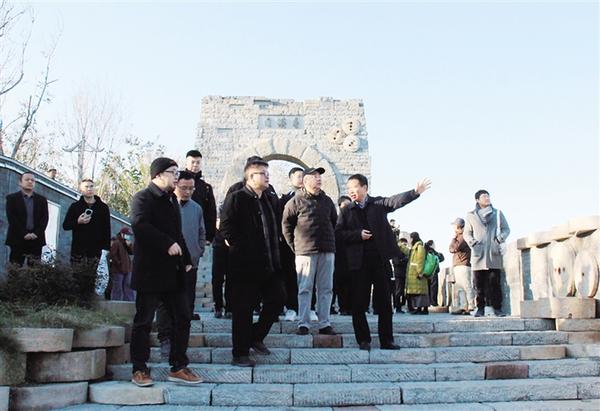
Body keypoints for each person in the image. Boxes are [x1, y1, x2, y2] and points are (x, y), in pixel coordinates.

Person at [335, 174, 431, 350]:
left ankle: (387, 340)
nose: (351, 191)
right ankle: (363, 340)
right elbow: (339, 234)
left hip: (380, 261)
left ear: (365, 188)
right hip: (358, 263)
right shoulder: (346, 210)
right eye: (349, 189)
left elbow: (395, 201)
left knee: (385, 302)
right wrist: (357, 235)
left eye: (354, 187)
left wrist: (414, 192)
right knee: (359, 303)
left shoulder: (378, 204)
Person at [129, 157, 202, 387]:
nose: (176, 177)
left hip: (173, 272)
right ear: (158, 175)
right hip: (150, 272)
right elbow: (140, 226)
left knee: (182, 318)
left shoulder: (172, 200)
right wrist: (166, 243)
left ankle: (178, 366)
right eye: (173, 172)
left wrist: (187, 259)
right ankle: (139, 369)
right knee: (144, 321)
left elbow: (178, 234)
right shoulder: (142, 198)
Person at [220, 157, 285, 367]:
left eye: (268, 173)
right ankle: (240, 354)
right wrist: (241, 248)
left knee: (278, 299)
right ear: (250, 176)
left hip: (270, 264)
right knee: (243, 310)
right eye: (263, 173)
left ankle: (255, 336)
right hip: (244, 267)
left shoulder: (270, 199)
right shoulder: (236, 198)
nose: (267, 177)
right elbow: (226, 228)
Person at [282, 167, 338, 336]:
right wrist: (295, 246)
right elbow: (286, 225)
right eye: (315, 176)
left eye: (319, 176)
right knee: (305, 288)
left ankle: (324, 323)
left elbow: (334, 222)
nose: (319, 179)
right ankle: (304, 323)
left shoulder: (327, 201)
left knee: (326, 288)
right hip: (305, 251)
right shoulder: (295, 201)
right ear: (305, 181)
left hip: (327, 250)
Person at [156, 170, 206, 358]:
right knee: (164, 303)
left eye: (191, 188)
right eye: (184, 188)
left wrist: (197, 252)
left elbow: (202, 232)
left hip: (190, 263)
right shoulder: (166, 205)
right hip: (168, 262)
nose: (188, 192)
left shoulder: (197, 208)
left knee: (187, 301)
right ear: (176, 185)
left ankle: (181, 340)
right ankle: (165, 338)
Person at [463, 189, 510, 317]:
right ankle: (480, 308)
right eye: (484, 196)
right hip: (478, 254)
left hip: (493, 253)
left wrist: (499, 239)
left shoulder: (497, 213)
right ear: (477, 200)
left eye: (488, 196)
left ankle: (497, 309)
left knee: (495, 283)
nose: (487, 198)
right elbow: (467, 233)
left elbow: (506, 229)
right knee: (479, 285)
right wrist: (473, 242)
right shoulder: (471, 215)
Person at [5, 172, 49, 266]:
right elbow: (12, 218)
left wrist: (36, 233)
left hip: (36, 240)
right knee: (15, 269)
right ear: (20, 182)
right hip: (17, 239)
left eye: (32, 180)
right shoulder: (12, 199)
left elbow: (44, 219)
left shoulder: (42, 200)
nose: (30, 182)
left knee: (35, 270)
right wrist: (24, 233)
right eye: (27, 179)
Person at [62, 179, 111, 263]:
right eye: (86, 187)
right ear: (81, 190)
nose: (89, 189)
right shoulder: (75, 206)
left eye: (91, 186)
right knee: (76, 271)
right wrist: (78, 221)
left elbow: (107, 229)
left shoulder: (103, 207)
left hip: (96, 252)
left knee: (93, 271)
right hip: (78, 251)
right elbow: (65, 225)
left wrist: (106, 250)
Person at [279, 167, 304, 321]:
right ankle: (291, 307)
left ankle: (310, 308)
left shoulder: (314, 197)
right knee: (290, 276)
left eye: (303, 176)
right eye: (298, 176)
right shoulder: (284, 199)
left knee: (308, 277)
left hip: (308, 244)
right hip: (289, 244)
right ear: (291, 179)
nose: (301, 179)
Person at [185, 150, 217, 244]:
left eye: (198, 162)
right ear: (186, 163)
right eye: (192, 162)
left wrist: (209, 236)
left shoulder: (206, 187)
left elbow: (211, 213)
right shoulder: (177, 183)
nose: (195, 165)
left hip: (200, 231)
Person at [448, 218, 474, 314]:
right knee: (460, 288)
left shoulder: (463, 236)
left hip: (463, 265)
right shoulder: (459, 237)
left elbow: (454, 248)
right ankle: (463, 307)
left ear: (458, 227)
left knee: (466, 286)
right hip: (458, 265)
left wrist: (453, 239)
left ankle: (471, 306)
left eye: (454, 226)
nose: (453, 228)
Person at [333, 195, 352, 315]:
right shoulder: (335, 219)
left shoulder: (354, 219)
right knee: (339, 283)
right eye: (346, 205)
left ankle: (349, 307)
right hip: (338, 256)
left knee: (351, 284)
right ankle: (343, 307)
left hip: (351, 256)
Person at [401, 232, 429, 315]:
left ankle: (421, 309)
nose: (409, 240)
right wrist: (399, 245)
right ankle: (419, 309)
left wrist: (420, 272)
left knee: (420, 292)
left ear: (413, 238)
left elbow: (420, 260)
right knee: (417, 292)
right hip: (413, 274)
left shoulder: (419, 247)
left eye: (410, 238)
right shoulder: (415, 248)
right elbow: (407, 251)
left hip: (417, 273)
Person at [109, 227, 135, 301]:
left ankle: (129, 301)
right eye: (127, 234)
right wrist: (119, 263)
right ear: (122, 234)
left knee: (128, 285)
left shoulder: (126, 243)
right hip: (118, 269)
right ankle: (115, 301)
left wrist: (129, 245)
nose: (128, 236)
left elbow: (132, 252)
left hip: (127, 268)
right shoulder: (117, 243)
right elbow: (113, 255)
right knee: (118, 287)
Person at [424, 240, 445, 307]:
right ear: (432, 245)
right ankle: (433, 302)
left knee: (427, 288)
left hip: (426, 272)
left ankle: (427, 303)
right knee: (434, 288)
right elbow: (442, 258)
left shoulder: (424, 252)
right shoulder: (434, 252)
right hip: (433, 272)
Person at [392, 237, 409, 313]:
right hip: (398, 274)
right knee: (398, 291)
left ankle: (400, 306)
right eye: (404, 245)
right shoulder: (396, 251)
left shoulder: (404, 253)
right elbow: (397, 262)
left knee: (401, 292)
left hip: (403, 274)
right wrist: (405, 259)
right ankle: (398, 307)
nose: (405, 246)